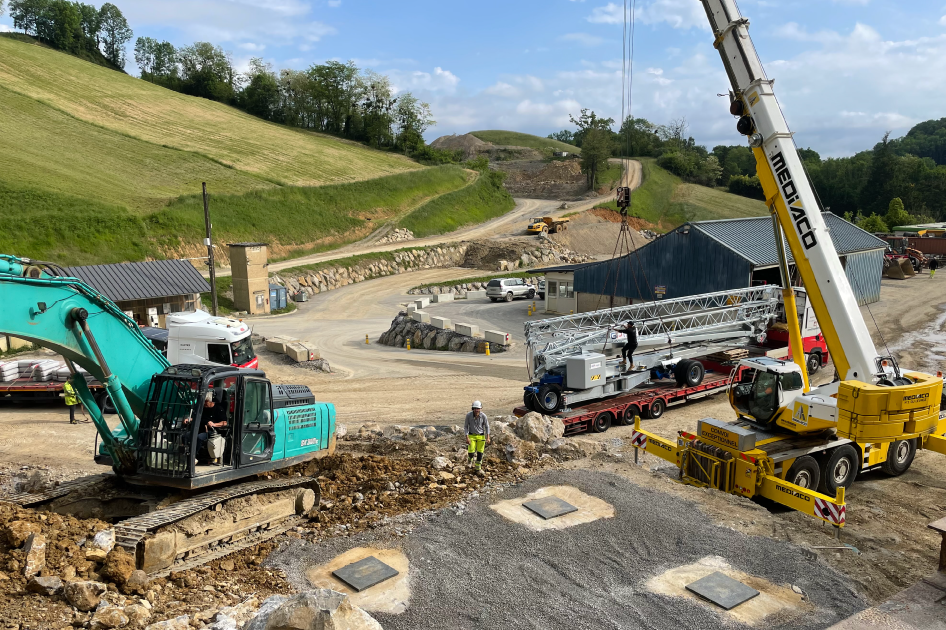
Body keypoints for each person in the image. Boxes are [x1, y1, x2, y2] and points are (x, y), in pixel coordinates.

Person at [191, 392, 228, 464]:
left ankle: (193, 457)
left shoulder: (219, 409)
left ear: (211, 401)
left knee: (199, 437)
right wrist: (190, 420)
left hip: (210, 431)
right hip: (199, 428)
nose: (204, 403)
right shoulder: (201, 409)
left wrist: (214, 424)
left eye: (206, 401)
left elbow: (224, 423)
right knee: (185, 436)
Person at [465, 401, 491, 473]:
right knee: (471, 452)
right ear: (473, 409)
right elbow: (466, 426)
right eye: (475, 408)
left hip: (481, 436)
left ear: (480, 409)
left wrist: (488, 437)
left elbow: (487, 426)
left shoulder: (483, 416)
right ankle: (470, 460)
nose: (477, 410)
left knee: (480, 453)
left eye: (478, 409)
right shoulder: (468, 415)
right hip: (471, 436)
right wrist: (467, 437)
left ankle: (478, 468)